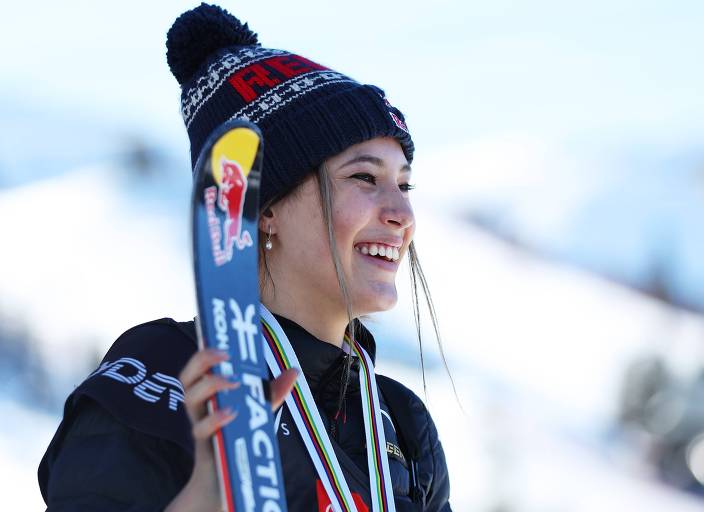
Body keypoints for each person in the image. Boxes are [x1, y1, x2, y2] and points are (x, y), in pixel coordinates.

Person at [38, 3, 452, 511]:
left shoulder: (402, 426)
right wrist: (204, 496)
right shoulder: (162, 376)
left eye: (405, 184)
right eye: (364, 178)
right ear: (266, 206)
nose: (401, 213)